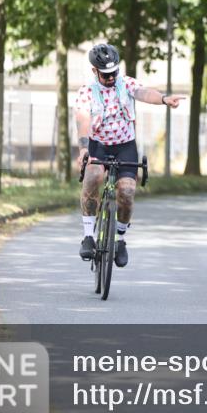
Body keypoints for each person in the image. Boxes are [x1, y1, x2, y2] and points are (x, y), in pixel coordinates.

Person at [75, 43, 185, 267]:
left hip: (125, 145)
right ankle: (89, 236)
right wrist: (84, 148)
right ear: (95, 71)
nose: (111, 77)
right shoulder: (86, 91)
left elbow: (144, 93)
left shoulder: (126, 84)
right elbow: (83, 119)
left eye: (114, 72)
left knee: (126, 191)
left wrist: (163, 99)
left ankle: (120, 239)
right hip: (98, 145)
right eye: (105, 74)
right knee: (93, 177)